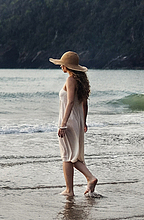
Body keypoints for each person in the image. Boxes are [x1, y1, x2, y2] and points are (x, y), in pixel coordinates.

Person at [49, 51, 98, 197]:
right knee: (72, 155)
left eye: (62, 64)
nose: (61, 67)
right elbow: (84, 104)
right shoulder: (81, 82)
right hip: (77, 121)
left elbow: (70, 102)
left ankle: (78, 185)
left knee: (67, 156)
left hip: (68, 122)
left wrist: (63, 124)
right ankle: (73, 187)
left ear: (66, 66)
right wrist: (84, 121)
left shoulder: (70, 80)